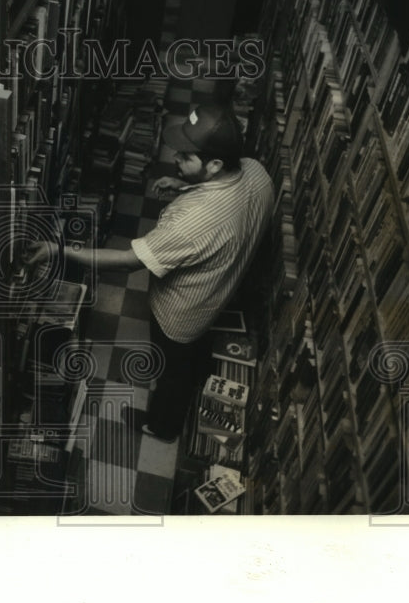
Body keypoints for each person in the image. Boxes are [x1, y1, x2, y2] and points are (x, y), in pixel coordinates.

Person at [26, 103, 275, 441]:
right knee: (190, 362)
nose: (175, 158)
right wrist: (187, 184)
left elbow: (130, 260)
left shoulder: (191, 221)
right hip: (220, 290)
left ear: (214, 164)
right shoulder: (256, 171)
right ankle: (195, 380)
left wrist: (60, 250)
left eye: (185, 157)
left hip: (180, 315)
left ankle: (162, 427)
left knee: (173, 372)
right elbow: (224, 200)